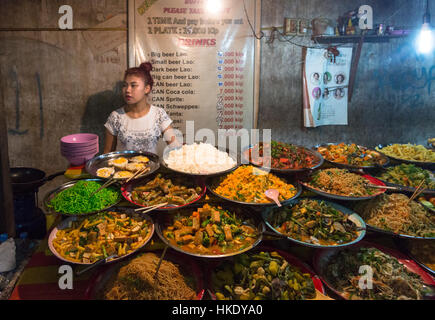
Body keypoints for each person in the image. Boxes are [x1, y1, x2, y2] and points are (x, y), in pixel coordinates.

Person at [103, 62, 178, 154]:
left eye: (133, 85)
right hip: (123, 168)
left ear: (147, 88)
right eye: (125, 85)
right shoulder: (116, 117)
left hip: (152, 167)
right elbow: (108, 153)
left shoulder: (158, 114)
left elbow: (175, 147)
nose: (127, 90)